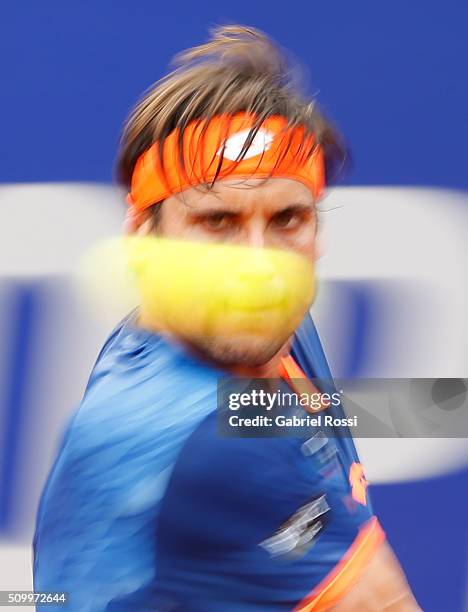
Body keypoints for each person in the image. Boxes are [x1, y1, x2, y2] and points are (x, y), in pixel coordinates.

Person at [33, 25, 421, 611]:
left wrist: (446, 405)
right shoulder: (212, 450)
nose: (260, 264)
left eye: (288, 219)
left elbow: (295, 412)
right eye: (218, 223)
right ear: (145, 238)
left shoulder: (247, 329)